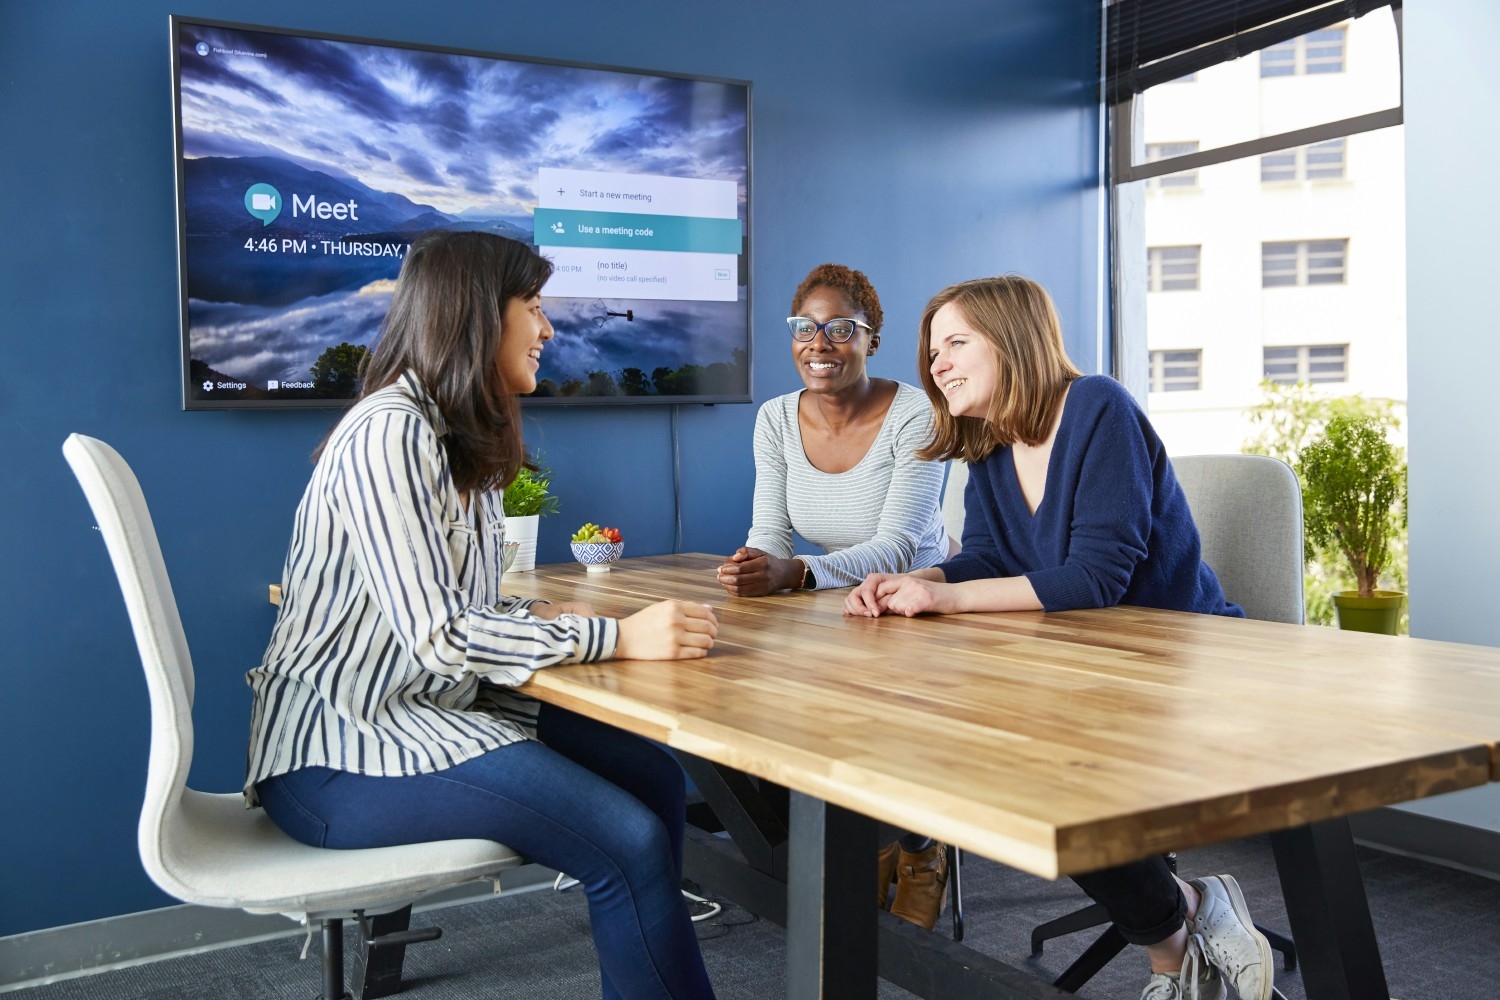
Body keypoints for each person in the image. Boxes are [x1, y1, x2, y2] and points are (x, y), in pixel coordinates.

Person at [243, 230, 720, 1000]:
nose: (549, 328)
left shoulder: (456, 435)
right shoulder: (390, 431)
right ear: (474, 314)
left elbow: (461, 602)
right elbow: (439, 633)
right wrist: (616, 636)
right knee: (626, 840)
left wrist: (542, 616)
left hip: (426, 715)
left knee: (655, 781)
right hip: (340, 755)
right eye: (532, 306)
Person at [844, 275, 1272, 1000]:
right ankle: (1184, 923)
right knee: (999, 754)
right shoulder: (988, 441)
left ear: (1012, 340)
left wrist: (941, 601)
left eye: (956, 343)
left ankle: (1173, 947)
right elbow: (987, 557)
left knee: (1042, 774)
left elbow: (1097, 578)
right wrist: (922, 581)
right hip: (1082, 660)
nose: (937, 364)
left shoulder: (1099, 407)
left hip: (1177, 662)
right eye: (931, 349)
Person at [714, 263, 953, 930]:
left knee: (884, 710)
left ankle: (922, 847)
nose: (820, 343)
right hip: (828, 611)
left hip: (920, 611)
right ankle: (859, 844)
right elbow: (770, 532)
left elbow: (901, 545)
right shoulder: (774, 420)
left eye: (841, 329)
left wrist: (793, 575)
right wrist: (754, 565)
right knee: (765, 699)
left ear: (871, 339)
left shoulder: (919, 414)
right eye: (805, 328)